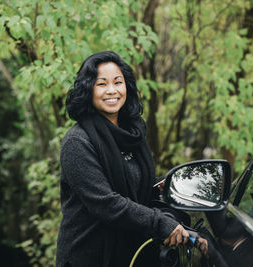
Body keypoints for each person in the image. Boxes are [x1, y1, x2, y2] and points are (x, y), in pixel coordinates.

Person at [56, 51, 206, 267]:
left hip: (133, 254)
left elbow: (142, 186)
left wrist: (174, 203)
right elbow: (106, 204)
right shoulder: (77, 141)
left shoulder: (132, 134)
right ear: (88, 89)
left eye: (118, 82)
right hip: (89, 257)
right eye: (101, 84)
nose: (112, 90)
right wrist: (158, 222)